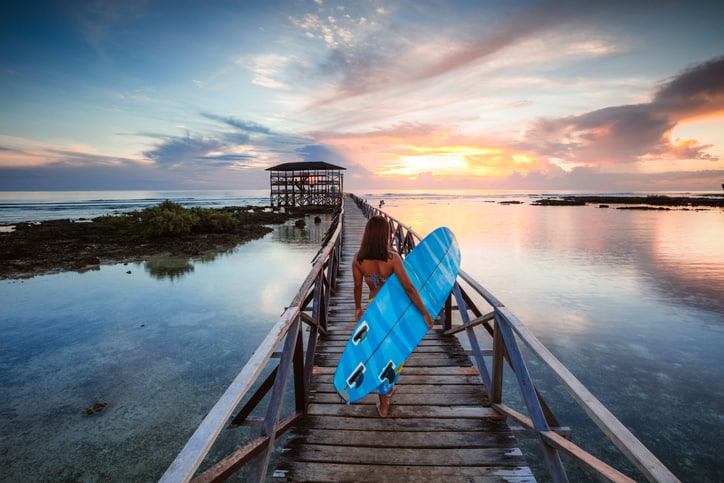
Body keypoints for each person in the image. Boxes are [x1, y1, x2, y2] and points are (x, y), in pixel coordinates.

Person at [352, 215, 434, 417]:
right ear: (385, 235)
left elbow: (357, 286)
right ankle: (388, 390)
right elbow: (408, 287)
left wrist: (358, 308)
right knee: (396, 353)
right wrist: (424, 312)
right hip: (394, 313)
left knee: (379, 355)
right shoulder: (393, 258)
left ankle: (384, 401)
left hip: (373, 311)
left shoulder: (358, 259)